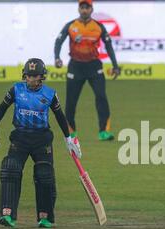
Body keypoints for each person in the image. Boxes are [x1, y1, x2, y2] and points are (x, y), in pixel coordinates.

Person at [0, 58, 82, 228]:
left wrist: (68, 139)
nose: (30, 79)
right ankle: (7, 215)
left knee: (44, 175)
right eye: (28, 75)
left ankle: (45, 217)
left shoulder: (49, 94)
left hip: (42, 139)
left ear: (42, 77)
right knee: (10, 168)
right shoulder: (16, 89)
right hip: (20, 137)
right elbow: (1, 108)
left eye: (34, 76)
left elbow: (60, 117)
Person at [54, 0, 121, 141]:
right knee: (71, 101)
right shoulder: (71, 26)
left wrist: (115, 65)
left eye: (87, 7)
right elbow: (58, 41)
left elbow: (109, 47)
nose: (84, 10)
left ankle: (104, 132)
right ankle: (71, 133)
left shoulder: (98, 27)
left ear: (91, 9)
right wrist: (57, 58)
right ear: (79, 9)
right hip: (75, 67)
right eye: (82, 7)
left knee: (101, 97)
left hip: (94, 66)